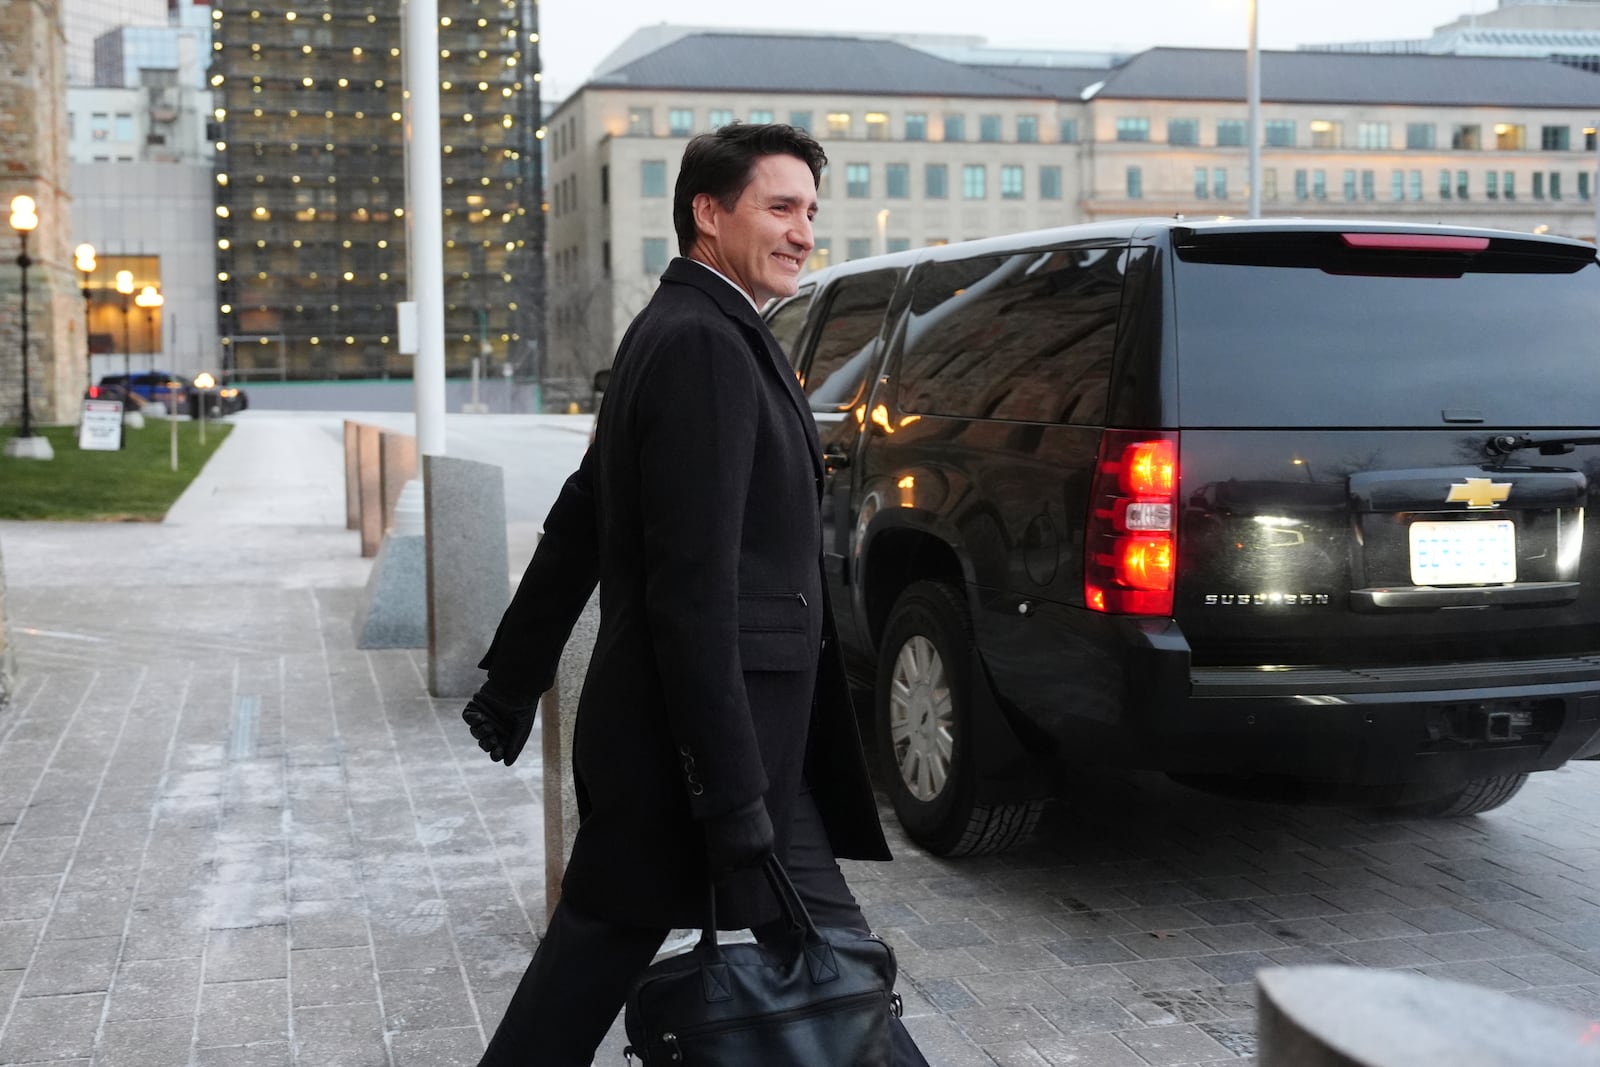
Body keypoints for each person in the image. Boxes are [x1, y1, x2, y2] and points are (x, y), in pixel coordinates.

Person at [461, 123, 927, 1065]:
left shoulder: (685, 329)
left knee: (829, 958)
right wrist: (727, 791)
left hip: (733, 745)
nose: (802, 232)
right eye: (780, 207)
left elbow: (581, 517)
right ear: (708, 214)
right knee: (614, 960)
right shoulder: (702, 344)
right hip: (711, 750)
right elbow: (689, 588)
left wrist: (515, 675)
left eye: (809, 212)